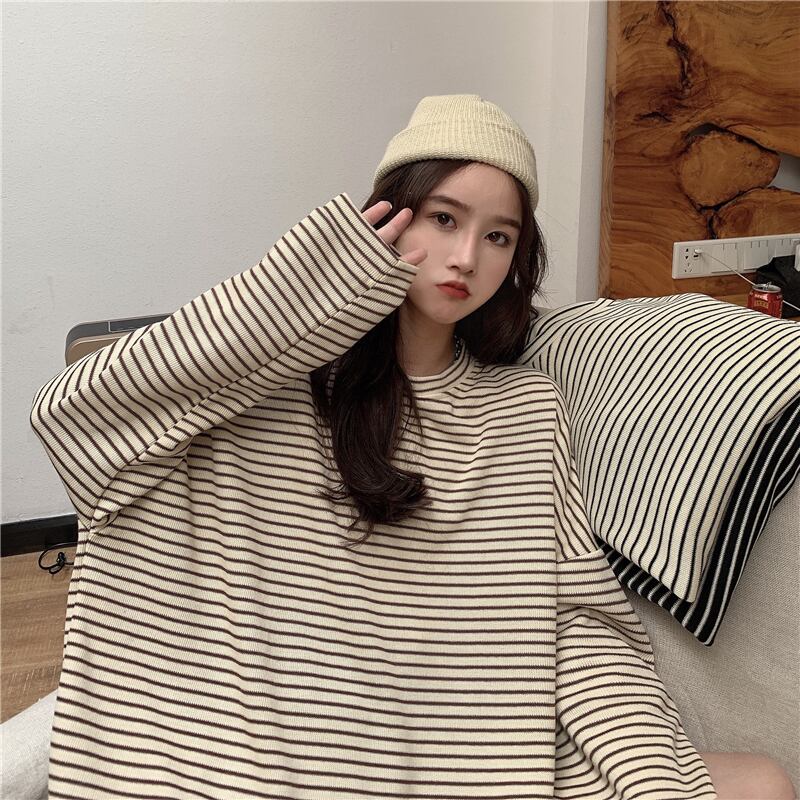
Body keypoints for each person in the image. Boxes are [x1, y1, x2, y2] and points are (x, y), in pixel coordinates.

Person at [29, 94, 794, 799]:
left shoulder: (525, 408)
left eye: (498, 236)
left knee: (760, 782)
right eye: (443, 218)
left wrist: (655, 779)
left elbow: (579, 625)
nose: (466, 258)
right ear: (387, 220)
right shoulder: (257, 384)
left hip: (475, 752)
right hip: (263, 754)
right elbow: (72, 418)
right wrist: (319, 286)